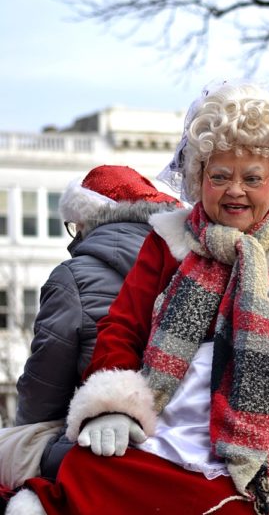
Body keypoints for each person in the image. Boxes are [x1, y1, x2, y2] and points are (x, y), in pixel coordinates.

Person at [6, 81, 269, 515]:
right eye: (219, 176)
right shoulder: (169, 239)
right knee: (92, 474)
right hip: (173, 417)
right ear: (199, 177)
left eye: (251, 178)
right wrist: (112, 405)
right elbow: (122, 327)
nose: (235, 190)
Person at [0, 164, 180, 489]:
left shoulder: (74, 276)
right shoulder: (188, 265)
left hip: (103, 438)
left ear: (85, 221)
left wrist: (23, 432)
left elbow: (44, 389)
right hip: (180, 437)